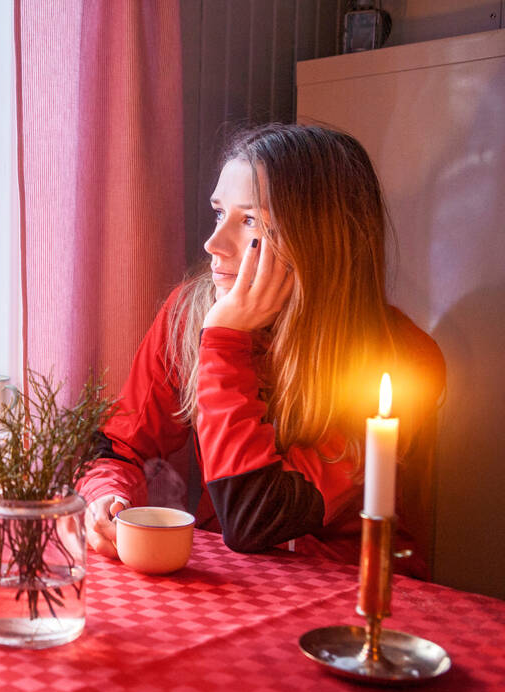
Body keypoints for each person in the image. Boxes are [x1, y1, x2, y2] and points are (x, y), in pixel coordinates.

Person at [79, 123, 445, 578]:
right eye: (219, 214)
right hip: (232, 585)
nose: (213, 244)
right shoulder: (188, 315)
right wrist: (105, 498)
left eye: (251, 220)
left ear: (321, 240)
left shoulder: (402, 360)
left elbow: (256, 517)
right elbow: (119, 445)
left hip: (356, 596)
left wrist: (224, 343)